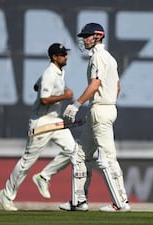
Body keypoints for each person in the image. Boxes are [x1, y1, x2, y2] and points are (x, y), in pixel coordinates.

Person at [0, 43, 87, 211]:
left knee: (74, 151)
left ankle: (44, 177)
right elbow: (44, 99)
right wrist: (64, 95)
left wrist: (60, 91)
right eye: (62, 55)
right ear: (54, 57)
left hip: (54, 120)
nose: (66, 57)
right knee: (27, 162)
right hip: (41, 122)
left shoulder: (59, 72)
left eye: (65, 54)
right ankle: (6, 194)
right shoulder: (49, 73)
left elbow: (36, 86)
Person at [60, 23, 131, 212]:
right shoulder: (110, 58)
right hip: (102, 109)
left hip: (100, 110)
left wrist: (76, 105)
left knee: (107, 158)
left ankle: (121, 202)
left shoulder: (99, 57)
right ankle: (79, 201)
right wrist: (103, 106)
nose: (84, 39)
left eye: (87, 36)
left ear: (98, 36)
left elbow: (95, 84)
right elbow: (117, 87)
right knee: (80, 155)